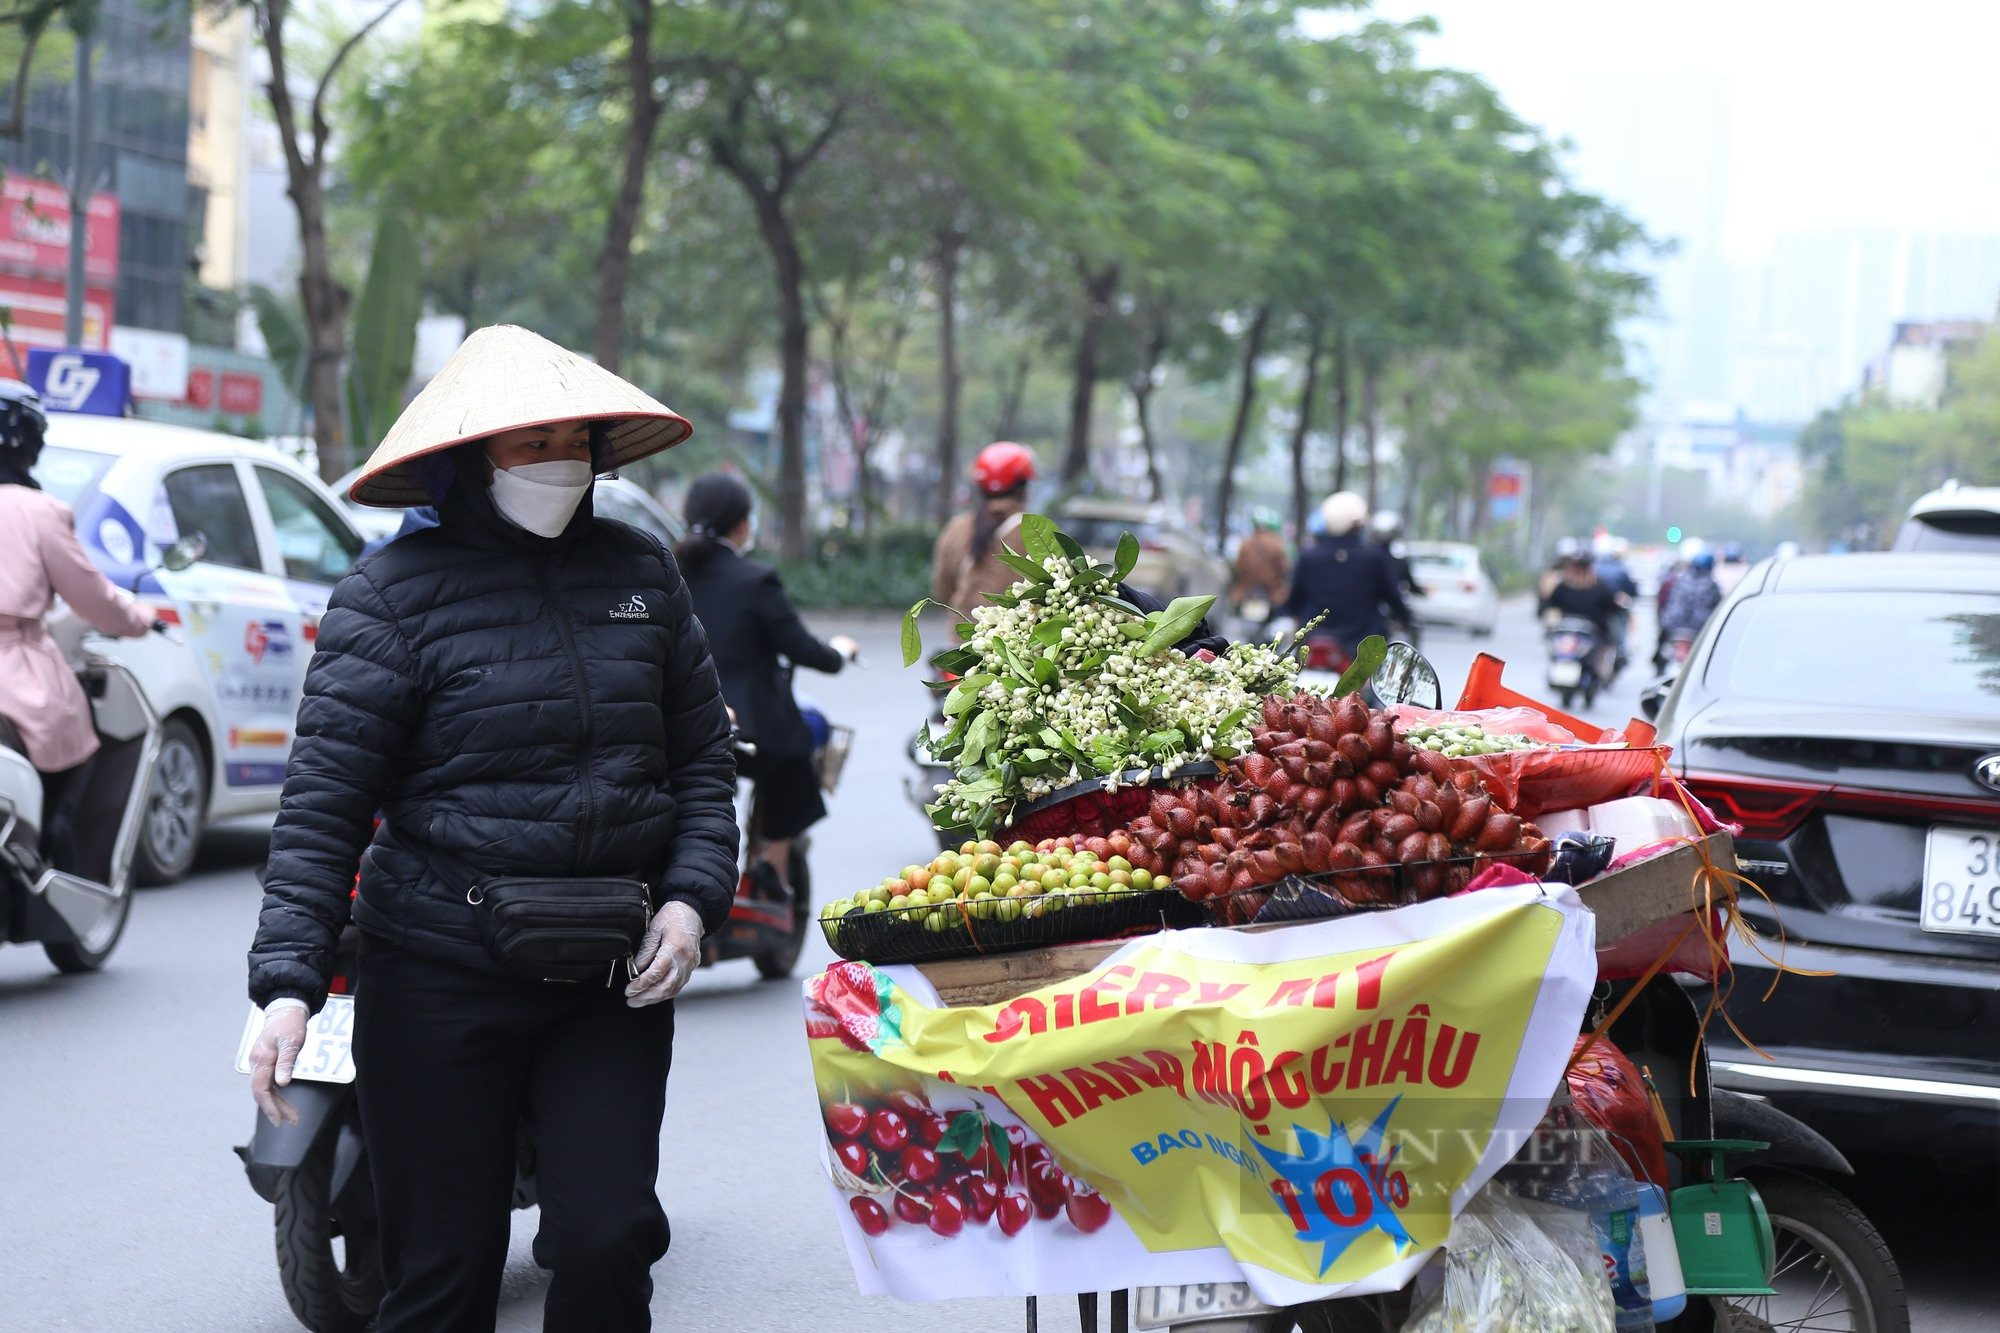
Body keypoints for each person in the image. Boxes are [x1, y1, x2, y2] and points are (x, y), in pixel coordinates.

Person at [244, 326, 738, 1333]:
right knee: (440, 1274)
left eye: (570, 436)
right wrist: (287, 985)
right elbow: (324, 800)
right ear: (472, 458)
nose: (556, 457)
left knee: (607, 1241)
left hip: (612, 974)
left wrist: (690, 903)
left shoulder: (642, 575)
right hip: (435, 976)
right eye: (527, 441)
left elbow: (701, 762)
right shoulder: (389, 595)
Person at [676, 471, 856, 901]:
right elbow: (802, 648)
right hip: (751, 731)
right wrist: (839, 653)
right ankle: (773, 867)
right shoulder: (755, 580)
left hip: (678, 725)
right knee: (794, 757)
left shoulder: (667, 573)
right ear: (742, 524)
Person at [0, 380, 156, 866]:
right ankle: (53, 842)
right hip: (15, 663)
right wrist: (140, 619)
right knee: (80, 734)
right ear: (31, 444)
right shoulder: (39, 511)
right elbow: (96, 599)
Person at [1281, 491, 1411, 653]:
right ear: (1358, 523)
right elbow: (1392, 597)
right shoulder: (1373, 556)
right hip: (1360, 648)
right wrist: (1404, 618)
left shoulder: (1309, 556)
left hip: (1312, 645)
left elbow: (1294, 600)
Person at [932, 441, 1035, 610]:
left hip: (963, 633)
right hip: (1015, 635)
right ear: (1021, 488)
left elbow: (943, 590)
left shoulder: (956, 528)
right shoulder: (1033, 533)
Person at [1539, 554, 1623, 682]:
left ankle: (1603, 671)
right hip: (1568, 632)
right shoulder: (1563, 588)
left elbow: (1612, 608)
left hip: (1593, 633)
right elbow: (1551, 606)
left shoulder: (1599, 589)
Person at [1230, 509, 1290, 621]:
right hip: (1272, 593)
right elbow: (1284, 569)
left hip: (1246, 592)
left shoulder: (1246, 544)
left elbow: (1238, 568)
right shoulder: (1277, 544)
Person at [1660, 548, 1725, 648]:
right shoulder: (1711, 585)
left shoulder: (1680, 580)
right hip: (1699, 628)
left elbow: (1666, 602)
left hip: (1673, 625)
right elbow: (1718, 608)